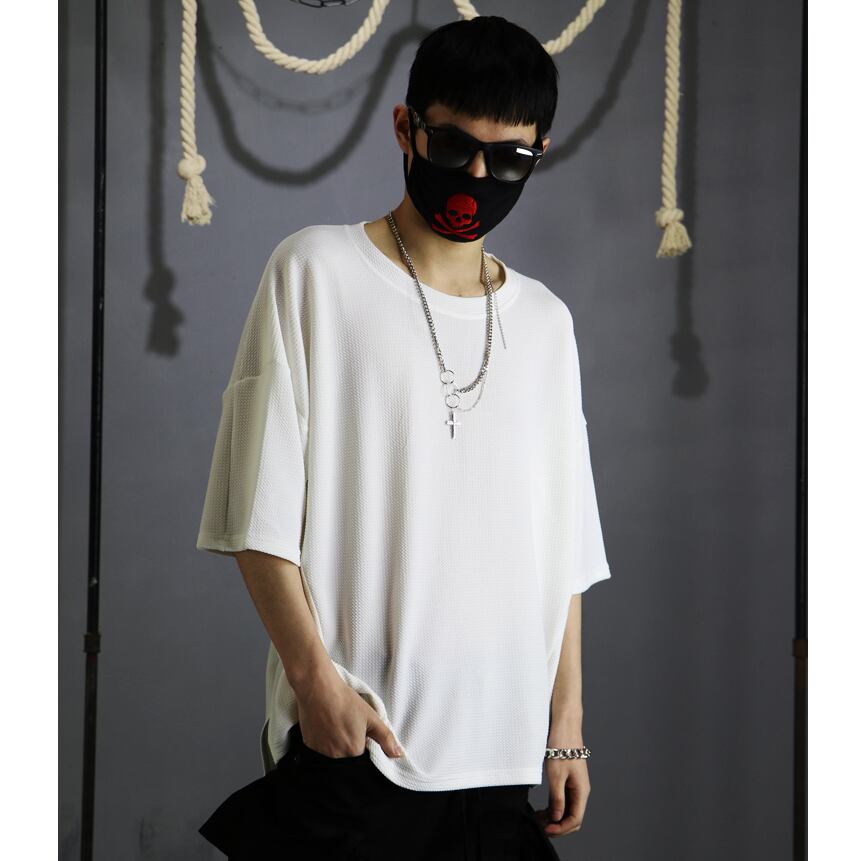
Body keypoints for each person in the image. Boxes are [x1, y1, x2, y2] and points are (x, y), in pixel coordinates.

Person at [195, 14, 612, 860]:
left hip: (499, 755)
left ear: (539, 153)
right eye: (453, 146)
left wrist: (565, 726)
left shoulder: (546, 322)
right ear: (405, 129)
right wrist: (314, 684)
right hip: (358, 742)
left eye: (509, 158)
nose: (477, 176)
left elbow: (562, 551)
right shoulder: (315, 272)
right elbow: (254, 514)